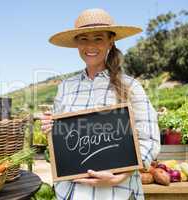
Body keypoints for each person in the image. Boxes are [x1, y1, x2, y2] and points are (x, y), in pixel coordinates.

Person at [40, 8, 160, 200]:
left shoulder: (130, 86)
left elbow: (150, 140)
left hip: (117, 193)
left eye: (98, 38)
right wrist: (50, 130)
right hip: (72, 193)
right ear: (76, 44)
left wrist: (120, 176)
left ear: (111, 41)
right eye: (83, 39)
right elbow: (62, 140)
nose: (90, 45)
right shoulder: (66, 87)